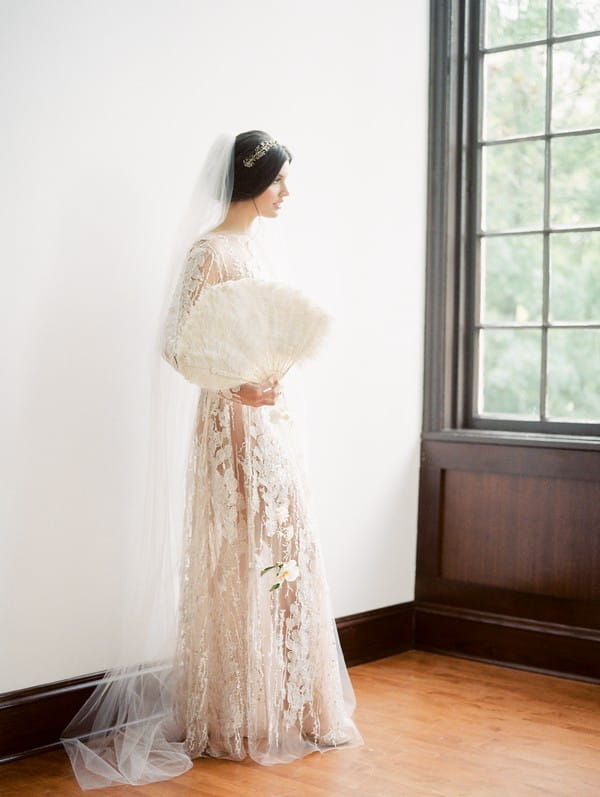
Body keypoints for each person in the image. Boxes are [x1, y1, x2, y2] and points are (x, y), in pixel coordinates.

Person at [61, 130, 363, 790]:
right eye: (280, 180)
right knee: (236, 555)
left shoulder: (259, 249)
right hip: (229, 422)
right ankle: (230, 712)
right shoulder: (209, 251)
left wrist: (269, 388)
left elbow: (268, 330)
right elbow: (177, 343)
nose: (288, 192)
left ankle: (298, 701)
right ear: (253, 179)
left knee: (288, 548)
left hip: (270, 421)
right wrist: (237, 388)